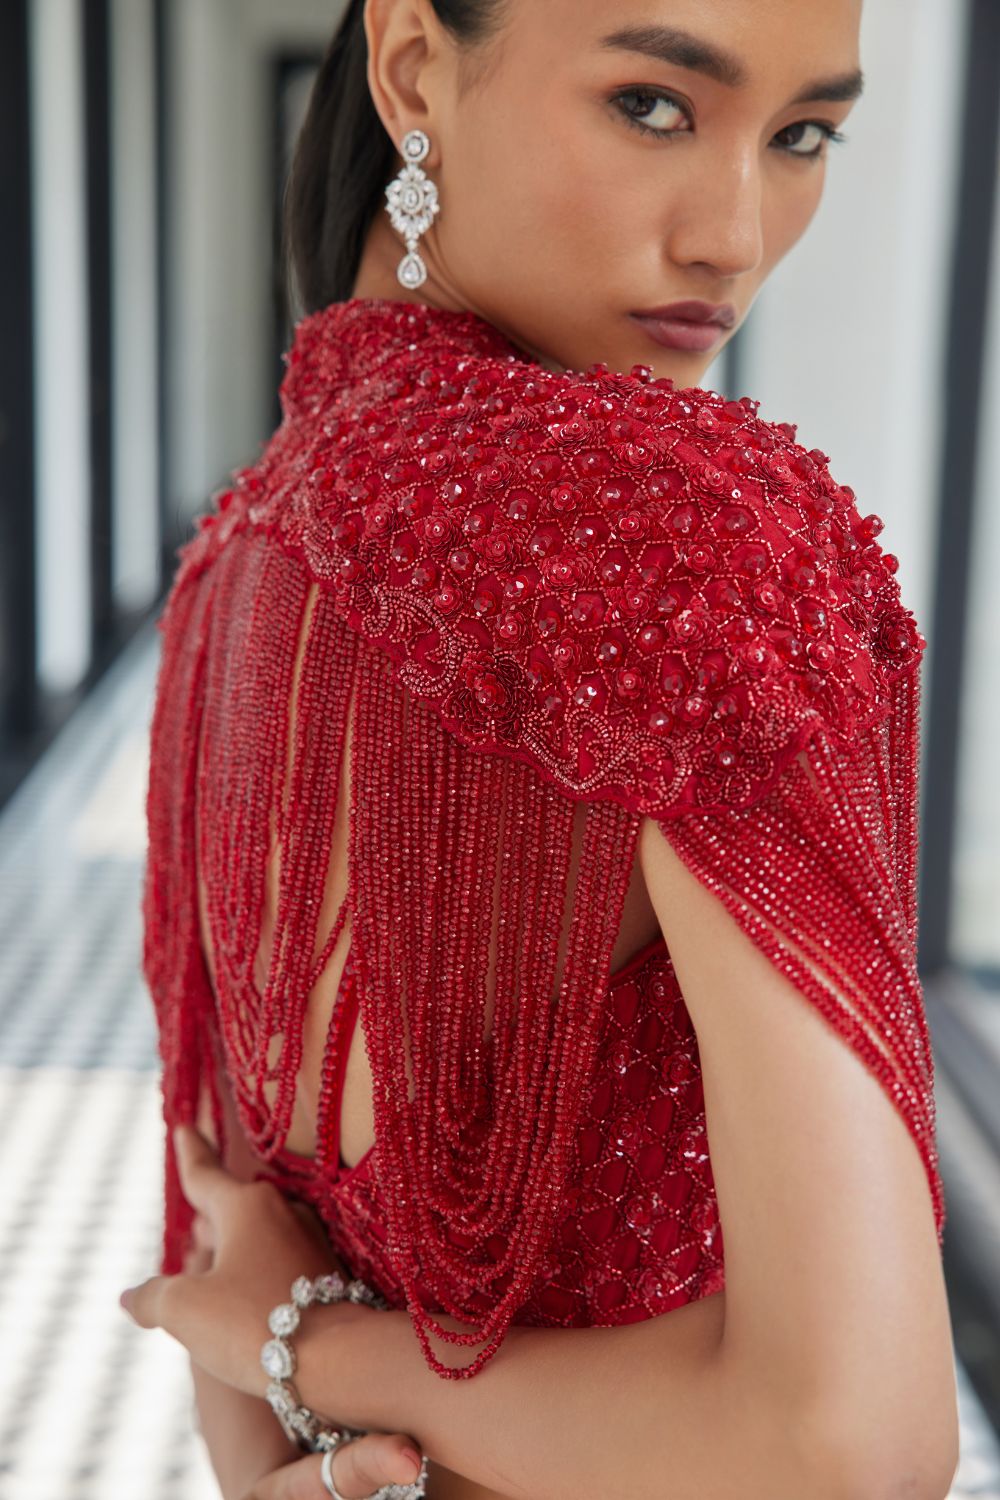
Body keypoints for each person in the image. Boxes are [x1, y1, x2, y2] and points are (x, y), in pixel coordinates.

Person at [121, 0, 961, 1496]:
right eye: (653, 105)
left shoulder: (228, 566)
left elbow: (224, 1314)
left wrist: (295, 1361)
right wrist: (323, 1352)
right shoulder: (692, 535)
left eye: (803, 134)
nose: (734, 234)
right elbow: (856, 1445)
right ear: (410, 67)